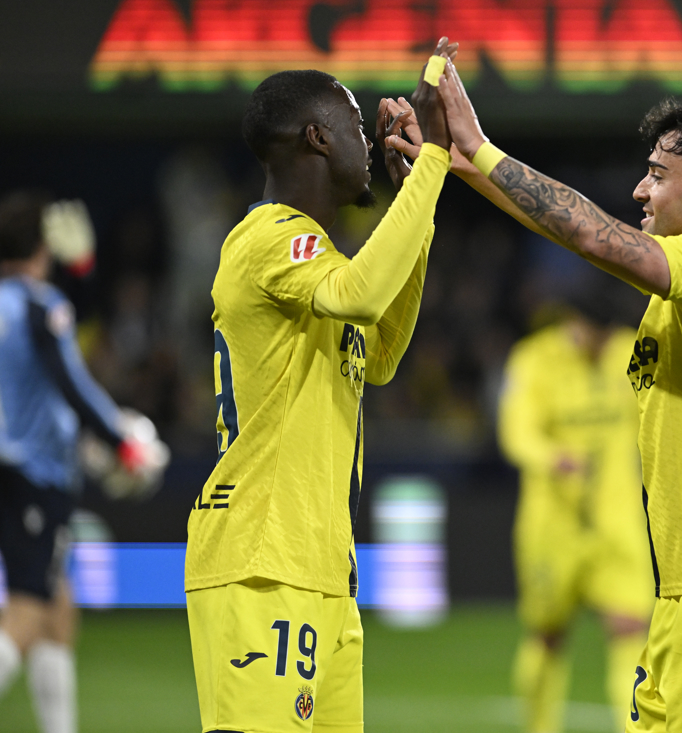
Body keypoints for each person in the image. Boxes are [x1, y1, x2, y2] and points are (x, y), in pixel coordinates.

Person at [394, 64, 682, 732]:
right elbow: (574, 234)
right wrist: (451, 163)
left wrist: (478, 145)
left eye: (657, 174)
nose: (640, 189)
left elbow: (592, 234)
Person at [183, 39, 457, 733]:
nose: (369, 141)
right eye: (355, 124)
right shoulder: (269, 237)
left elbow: (381, 352)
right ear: (317, 137)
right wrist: (432, 160)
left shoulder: (317, 264)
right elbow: (361, 295)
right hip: (262, 559)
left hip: (323, 567)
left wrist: (416, 203)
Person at [0, 191, 167, 733]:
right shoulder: (39, 307)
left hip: (10, 467)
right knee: (27, 608)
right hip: (32, 470)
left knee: (56, 600)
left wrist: (80, 273)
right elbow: (70, 380)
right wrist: (120, 439)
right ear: (42, 246)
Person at [499, 276, 654, 733]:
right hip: (553, 525)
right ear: (573, 320)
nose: (602, 341)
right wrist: (552, 458)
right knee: (548, 635)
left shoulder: (629, 350)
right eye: (594, 330)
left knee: (630, 628)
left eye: (608, 331)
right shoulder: (533, 359)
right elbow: (516, 432)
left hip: (617, 521)